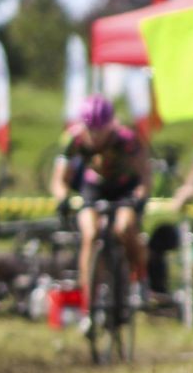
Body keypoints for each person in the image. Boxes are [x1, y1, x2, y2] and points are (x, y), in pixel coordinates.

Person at [49, 93, 151, 334]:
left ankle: (139, 278)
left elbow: (145, 176)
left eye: (100, 130)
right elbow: (58, 180)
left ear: (110, 125)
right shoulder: (72, 139)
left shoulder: (127, 140)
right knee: (90, 233)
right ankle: (89, 306)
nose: (94, 135)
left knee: (125, 227)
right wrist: (62, 198)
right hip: (93, 187)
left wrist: (139, 199)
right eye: (90, 129)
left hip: (124, 187)